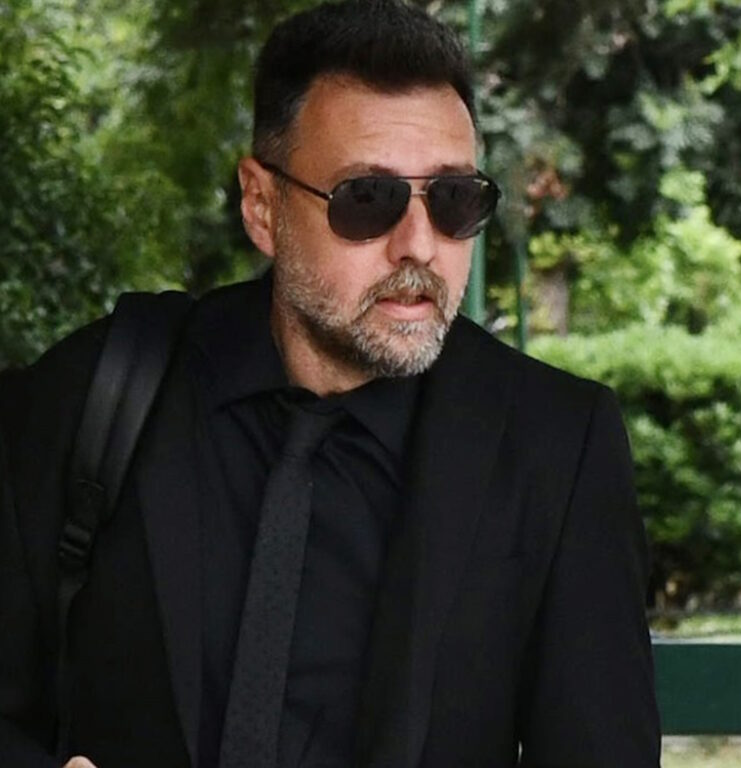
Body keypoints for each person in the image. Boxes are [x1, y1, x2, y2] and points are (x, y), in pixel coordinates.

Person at [0, 1, 661, 766]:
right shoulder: (94, 395)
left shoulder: (555, 446)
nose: (419, 245)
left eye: (453, 200)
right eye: (368, 199)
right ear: (262, 205)